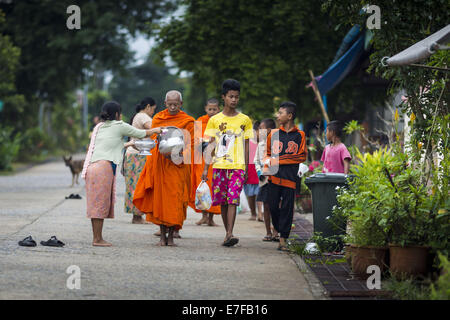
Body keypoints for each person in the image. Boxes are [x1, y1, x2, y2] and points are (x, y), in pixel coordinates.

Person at [82, 101, 162, 247]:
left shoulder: (99, 127)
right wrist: (159, 130)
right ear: (118, 114)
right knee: (100, 204)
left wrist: (129, 144)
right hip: (103, 168)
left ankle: (97, 237)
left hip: (92, 167)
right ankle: (97, 239)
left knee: (95, 204)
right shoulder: (120, 126)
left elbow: (109, 145)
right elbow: (142, 133)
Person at [133, 90, 195, 247]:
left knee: (176, 199)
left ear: (181, 104)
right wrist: (164, 148)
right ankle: (162, 235)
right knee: (160, 199)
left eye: (176, 104)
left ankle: (172, 236)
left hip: (179, 166)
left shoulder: (189, 121)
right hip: (161, 163)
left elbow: (194, 145)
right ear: (165, 103)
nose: (173, 107)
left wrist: (179, 155)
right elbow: (154, 139)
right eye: (170, 104)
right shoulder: (159, 118)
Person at [202, 79, 253, 247]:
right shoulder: (214, 120)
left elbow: (247, 145)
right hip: (219, 166)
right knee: (223, 201)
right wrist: (206, 167)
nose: (234, 100)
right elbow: (211, 144)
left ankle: (230, 233)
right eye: (231, 96)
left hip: (237, 166)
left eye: (236, 97)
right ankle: (227, 233)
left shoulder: (245, 120)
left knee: (233, 199)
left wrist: (246, 167)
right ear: (223, 97)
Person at [264, 102, 307, 251]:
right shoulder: (273, 134)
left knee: (288, 209)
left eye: (280, 113)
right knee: (273, 207)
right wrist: (268, 165)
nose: (277, 115)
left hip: (290, 178)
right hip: (274, 177)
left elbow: (300, 157)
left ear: (289, 116)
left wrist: (278, 160)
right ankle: (278, 229)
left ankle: (283, 239)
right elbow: (267, 155)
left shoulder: (300, 135)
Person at [123, 97, 157, 224]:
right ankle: (137, 216)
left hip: (135, 154)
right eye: (153, 109)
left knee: (135, 184)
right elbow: (152, 129)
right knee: (137, 185)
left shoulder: (138, 116)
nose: (153, 112)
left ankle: (137, 215)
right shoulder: (143, 116)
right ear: (148, 107)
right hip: (138, 154)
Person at [190, 98, 221, 226]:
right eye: (210, 109)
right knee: (202, 187)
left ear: (218, 109)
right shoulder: (200, 122)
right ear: (205, 108)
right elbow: (195, 141)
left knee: (213, 187)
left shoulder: (221, 122)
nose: (212, 111)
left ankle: (211, 218)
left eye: (214, 109)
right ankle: (204, 216)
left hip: (215, 160)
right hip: (201, 160)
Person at [254, 118, 279, 242]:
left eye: (261, 129)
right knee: (267, 205)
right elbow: (256, 161)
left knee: (276, 206)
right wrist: (259, 171)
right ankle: (268, 232)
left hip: (276, 179)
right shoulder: (261, 144)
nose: (259, 132)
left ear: (269, 130)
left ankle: (276, 231)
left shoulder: (277, 143)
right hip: (264, 180)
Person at [243, 120, 260, 221]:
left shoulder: (264, 143)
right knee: (250, 194)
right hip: (250, 171)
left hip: (260, 172)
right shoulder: (249, 143)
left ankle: (260, 213)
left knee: (259, 193)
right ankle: (253, 213)